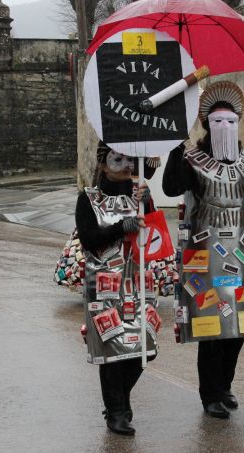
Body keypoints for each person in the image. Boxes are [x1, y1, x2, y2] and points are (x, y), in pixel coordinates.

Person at [162, 81, 244, 419]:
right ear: (207, 125)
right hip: (205, 251)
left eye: (231, 121)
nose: (225, 127)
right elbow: (171, 187)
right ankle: (209, 393)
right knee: (212, 324)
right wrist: (175, 150)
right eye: (218, 122)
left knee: (238, 326)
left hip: (240, 250)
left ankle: (224, 385)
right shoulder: (193, 160)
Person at [74, 142, 160, 436]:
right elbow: (88, 239)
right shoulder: (88, 198)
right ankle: (117, 411)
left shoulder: (139, 197)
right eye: (117, 158)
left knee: (143, 347)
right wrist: (119, 228)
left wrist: (146, 205)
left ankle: (118, 402)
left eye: (129, 160)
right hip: (104, 286)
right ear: (103, 162)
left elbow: (154, 234)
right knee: (112, 351)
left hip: (137, 283)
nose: (124, 164)